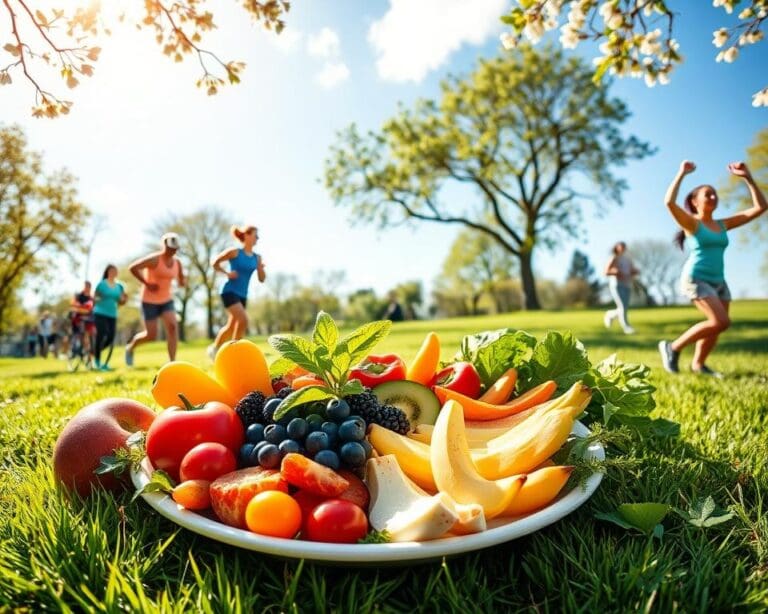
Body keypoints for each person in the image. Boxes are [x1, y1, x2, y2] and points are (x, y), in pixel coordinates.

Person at [658, 160, 767, 376]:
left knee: (717, 326)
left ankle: (698, 364)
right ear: (695, 202)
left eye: (715, 194)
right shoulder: (692, 224)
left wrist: (748, 178)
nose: (713, 197)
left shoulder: (722, 224)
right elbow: (669, 202)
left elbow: (761, 207)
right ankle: (672, 347)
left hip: (719, 280)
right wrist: (681, 173)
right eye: (708, 194)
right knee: (721, 321)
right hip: (696, 278)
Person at [125, 232, 185, 366]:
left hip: (166, 300)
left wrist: (182, 282)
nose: (173, 251)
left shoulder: (178, 263)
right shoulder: (154, 259)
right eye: (170, 248)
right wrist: (146, 283)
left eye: (175, 249)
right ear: (164, 246)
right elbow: (133, 268)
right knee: (151, 335)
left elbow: (181, 279)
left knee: (173, 327)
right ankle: (130, 347)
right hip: (149, 301)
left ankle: (172, 362)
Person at [207, 225, 266, 360]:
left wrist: (261, 268)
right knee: (243, 320)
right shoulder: (235, 252)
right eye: (255, 235)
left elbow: (262, 279)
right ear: (246, 235)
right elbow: (215, 262)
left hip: (242, 295)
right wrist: (226, 273)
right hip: (229, 291)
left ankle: (214, 349)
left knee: (231, 326)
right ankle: (234, 354)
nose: (257, 238)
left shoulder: (257, 258)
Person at [93, 264, 128, 371]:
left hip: (112, 314)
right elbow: (95, 297)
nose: (113, 272)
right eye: (111, 270)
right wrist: (99, 299)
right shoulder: (101, 284)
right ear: (107, 272)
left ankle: (95, 352)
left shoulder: (119, 286)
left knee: (110, 338)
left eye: (115, 270)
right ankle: (97, 362)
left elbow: (121, 302)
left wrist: (124, 300)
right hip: (100, 313)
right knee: (101, 334)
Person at [603, 242, 639, 334]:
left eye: (624, 246)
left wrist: (634, 271)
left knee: (624, 307)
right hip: (617, 285)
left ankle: (610, 315)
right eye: (621, 246)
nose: (623, 248)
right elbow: (606, 272)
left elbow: (631, 270)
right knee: (622, 306)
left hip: (627, 285)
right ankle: (626, 327)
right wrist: (616, 272)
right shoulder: (614, 258)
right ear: (617, 247)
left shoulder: (628, 259)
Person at [70, 281, 96, 363]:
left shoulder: (92, 298)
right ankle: (76, 350)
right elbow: (73, 305)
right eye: (86, 286)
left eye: (89, 286)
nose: (87, 288)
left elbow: (94, 308)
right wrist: (81, 309)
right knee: (80, 335)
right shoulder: (78, 296)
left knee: (91, 337)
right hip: (79, 319)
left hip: (90, 319)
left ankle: (89, 357)